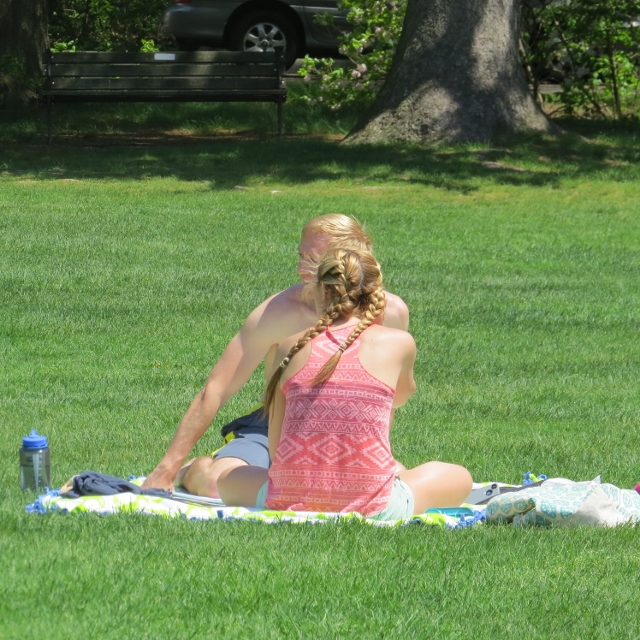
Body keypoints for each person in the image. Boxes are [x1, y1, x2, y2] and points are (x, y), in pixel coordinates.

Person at [142, 214, 410, 495]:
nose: (300, 267)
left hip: (349, 436)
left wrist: (377, 452)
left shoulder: (390, 313)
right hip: (271, 429)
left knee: (398, 487)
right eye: (301, 255)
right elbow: (217, 388)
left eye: (313, 259)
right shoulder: (279, 312)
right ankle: (197, 468)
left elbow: (387, 401)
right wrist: (166, 469)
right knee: (213, 484)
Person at [216, 249, 472, 517]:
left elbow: (276, 444)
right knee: (458, 476)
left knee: (228, 478)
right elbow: (401, 397)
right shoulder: (399, 343)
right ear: (375, 292)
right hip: (374, 508)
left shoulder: (291, 345)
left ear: (323, 292)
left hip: (288, 498)